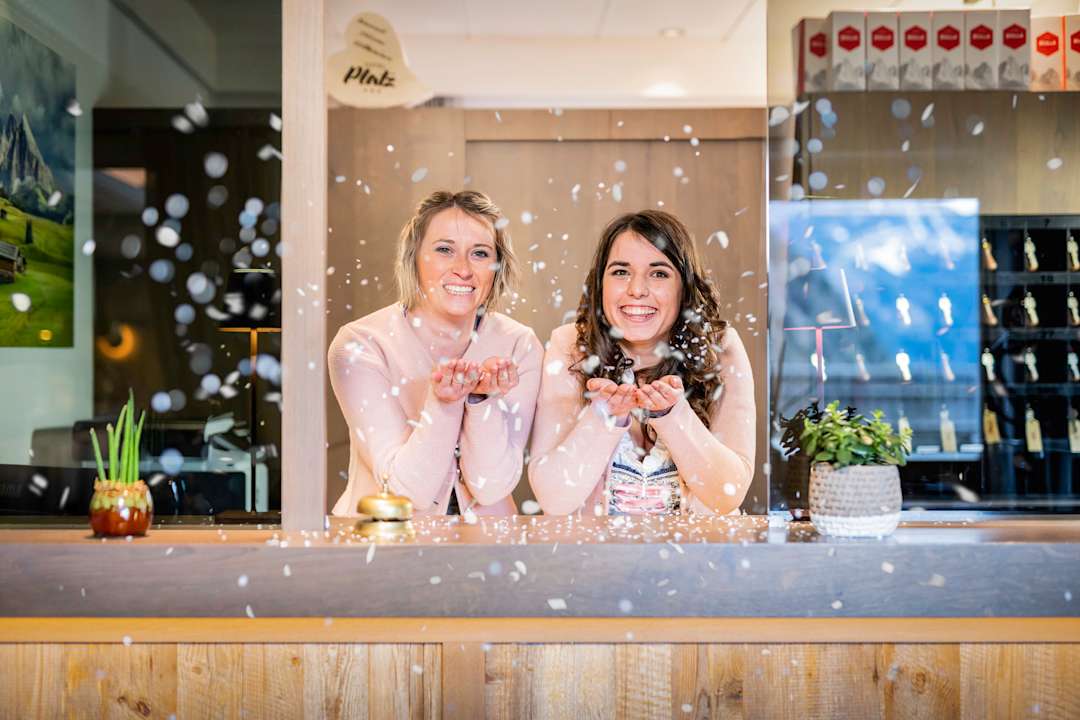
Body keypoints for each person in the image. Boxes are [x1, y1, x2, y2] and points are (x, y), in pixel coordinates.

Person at [328, 190, 542, 516]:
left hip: (488, 544)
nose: (463, 269)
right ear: (414, 257)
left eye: (480, 253)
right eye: (444, 250)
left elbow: (490, 486)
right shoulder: (360, 344)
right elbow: (407, 491)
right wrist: (444, 403)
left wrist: (481, 400)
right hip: (385, 540)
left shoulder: (519, 345)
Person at [528, 209, 755, 516]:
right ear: (601, 283)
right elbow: (554, 500)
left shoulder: (719, 347)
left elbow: (728, 495)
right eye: (621, 272)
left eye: (658, 273)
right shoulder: (570, 346)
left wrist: (672, 416)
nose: (636, 290)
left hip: (700, 549)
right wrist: (604, 418)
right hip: (594, 549)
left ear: (684, 287)